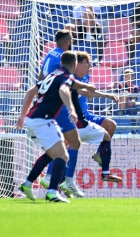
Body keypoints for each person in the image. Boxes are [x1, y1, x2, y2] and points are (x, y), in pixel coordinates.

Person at [16, 51, 95, 203]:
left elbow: (30, 92)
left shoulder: (53, 75)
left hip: (32, 119)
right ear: (75, 65)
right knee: (63, 156)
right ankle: (52, 192)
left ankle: (27, 184)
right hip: (43, 121)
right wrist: (71, 109)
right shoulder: (66, 78)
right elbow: (64, 90)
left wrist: (21, 115)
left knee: (52, 153)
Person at [39, 52, 122, 195]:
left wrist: (104, 94)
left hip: (84, 116)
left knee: (110, 126)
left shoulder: (82, 77)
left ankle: (98, 157)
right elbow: (85, 92)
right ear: (77, 64)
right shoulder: (69, 78)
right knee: (65, 147)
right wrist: (103, 94)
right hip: (72, 119)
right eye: (88, 62)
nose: (91, 65)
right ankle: (57, 180)